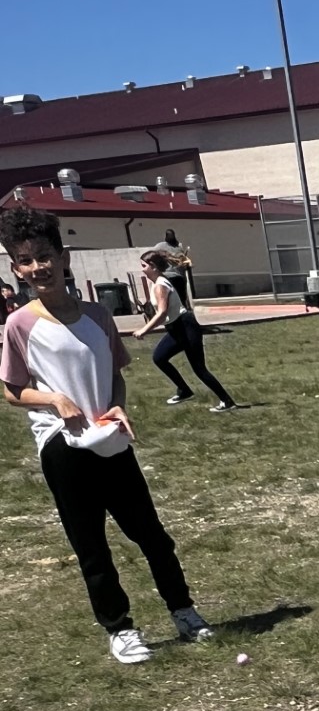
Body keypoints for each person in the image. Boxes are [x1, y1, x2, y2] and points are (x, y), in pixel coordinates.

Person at [0, 204, 213, 664]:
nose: (38, 267)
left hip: (109, 439)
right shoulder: (20, 324)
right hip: (62, 447)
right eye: (25, 260)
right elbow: (13, 392)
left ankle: (184, 610)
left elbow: (117, 372)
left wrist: (118, 405)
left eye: (45, 256)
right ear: (16, 268)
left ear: (64, 256)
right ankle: (120, 630)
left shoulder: (98, 315)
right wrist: (55, 401)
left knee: (152, 535)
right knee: (91, 546)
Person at [132, 250, 235, 411]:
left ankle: (227, 401)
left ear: (153, 267)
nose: (142, 269)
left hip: (186, 326)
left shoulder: (160, 285)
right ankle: (184, 390)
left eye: (144, 266)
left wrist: (144, 330)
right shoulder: (156, 284)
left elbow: (162, 312)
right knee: (159, 357)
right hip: (176, 328)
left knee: (199, 369)